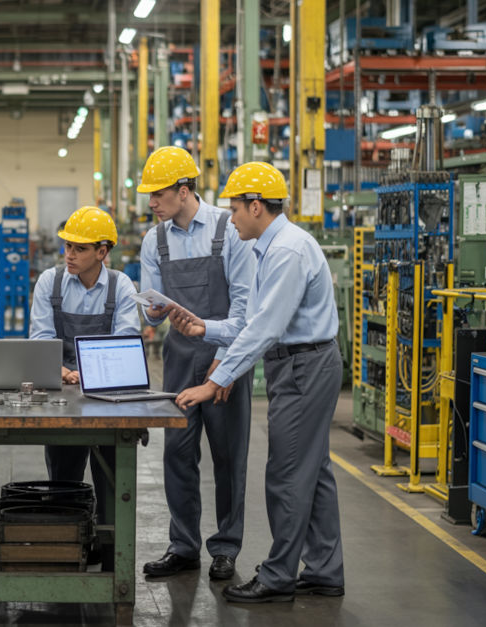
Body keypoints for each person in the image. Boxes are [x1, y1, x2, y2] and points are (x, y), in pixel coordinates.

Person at [170, 161, 345, 603]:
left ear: (255, 207)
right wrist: (203, 330)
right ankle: (324, 569)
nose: (230, 218)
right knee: (314, 471)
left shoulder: (285, 252)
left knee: (285, 474)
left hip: (305, 367)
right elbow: (249, 322)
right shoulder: (271, 247)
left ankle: (279, 576)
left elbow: (264, 329)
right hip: (299, 363)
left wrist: (216, 381)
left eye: (234, 209)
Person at [136, 146, 256, 581]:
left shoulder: (229, 231)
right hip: (180, 361)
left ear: (184, 191)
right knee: (177, 455)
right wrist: (151, 311)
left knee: (228, 457)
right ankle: (183, 545)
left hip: (227, 357)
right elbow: (151, 306)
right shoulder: (156, 239)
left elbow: (244, 306)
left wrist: (224, 363)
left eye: (157, 194)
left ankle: (226, 547)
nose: (151, 203)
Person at [28, 206, 139, 532]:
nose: (70, 255)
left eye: (80, 248)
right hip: (61, 389)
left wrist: (91, 372)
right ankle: (68, 538)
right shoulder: (51, 282)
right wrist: (63, 371)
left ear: (102, 252)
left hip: (108, 391)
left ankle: (108, 545)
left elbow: (127, 343)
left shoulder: (122, 287)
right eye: (67, 247)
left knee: (110, 472)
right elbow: (41, 338)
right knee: (64, 472)